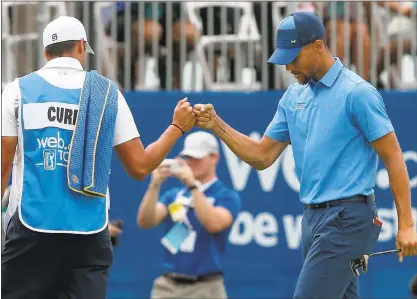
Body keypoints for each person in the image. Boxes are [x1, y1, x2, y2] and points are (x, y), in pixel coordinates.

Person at [193, 12, 417, 299]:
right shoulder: (292, 97)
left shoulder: (358, 93)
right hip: (312, 220)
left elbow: (394, 156)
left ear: (318, 46)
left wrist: (407, 225)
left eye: (293, 57)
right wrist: (216, 125)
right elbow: (262, 156)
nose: (287, 66)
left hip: (348, 218)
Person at [1, 16, 195, 299]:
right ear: (82, 46)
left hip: (31, 226)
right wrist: (177, 127)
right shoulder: (107, 93)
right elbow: (140, 166)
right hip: (89, 232)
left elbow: (3, 164)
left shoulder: (17, 91)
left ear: (46, 53)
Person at [137, 131, 241, 299]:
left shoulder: (226, 196)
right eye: (188, 157)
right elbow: (146, 222)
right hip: (168, 285)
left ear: (214, 157)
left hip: (206, 287)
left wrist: (193, 186)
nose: (191, 163)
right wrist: (154, 185)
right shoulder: (175, 195)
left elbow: (214, 224)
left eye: (197, 158)